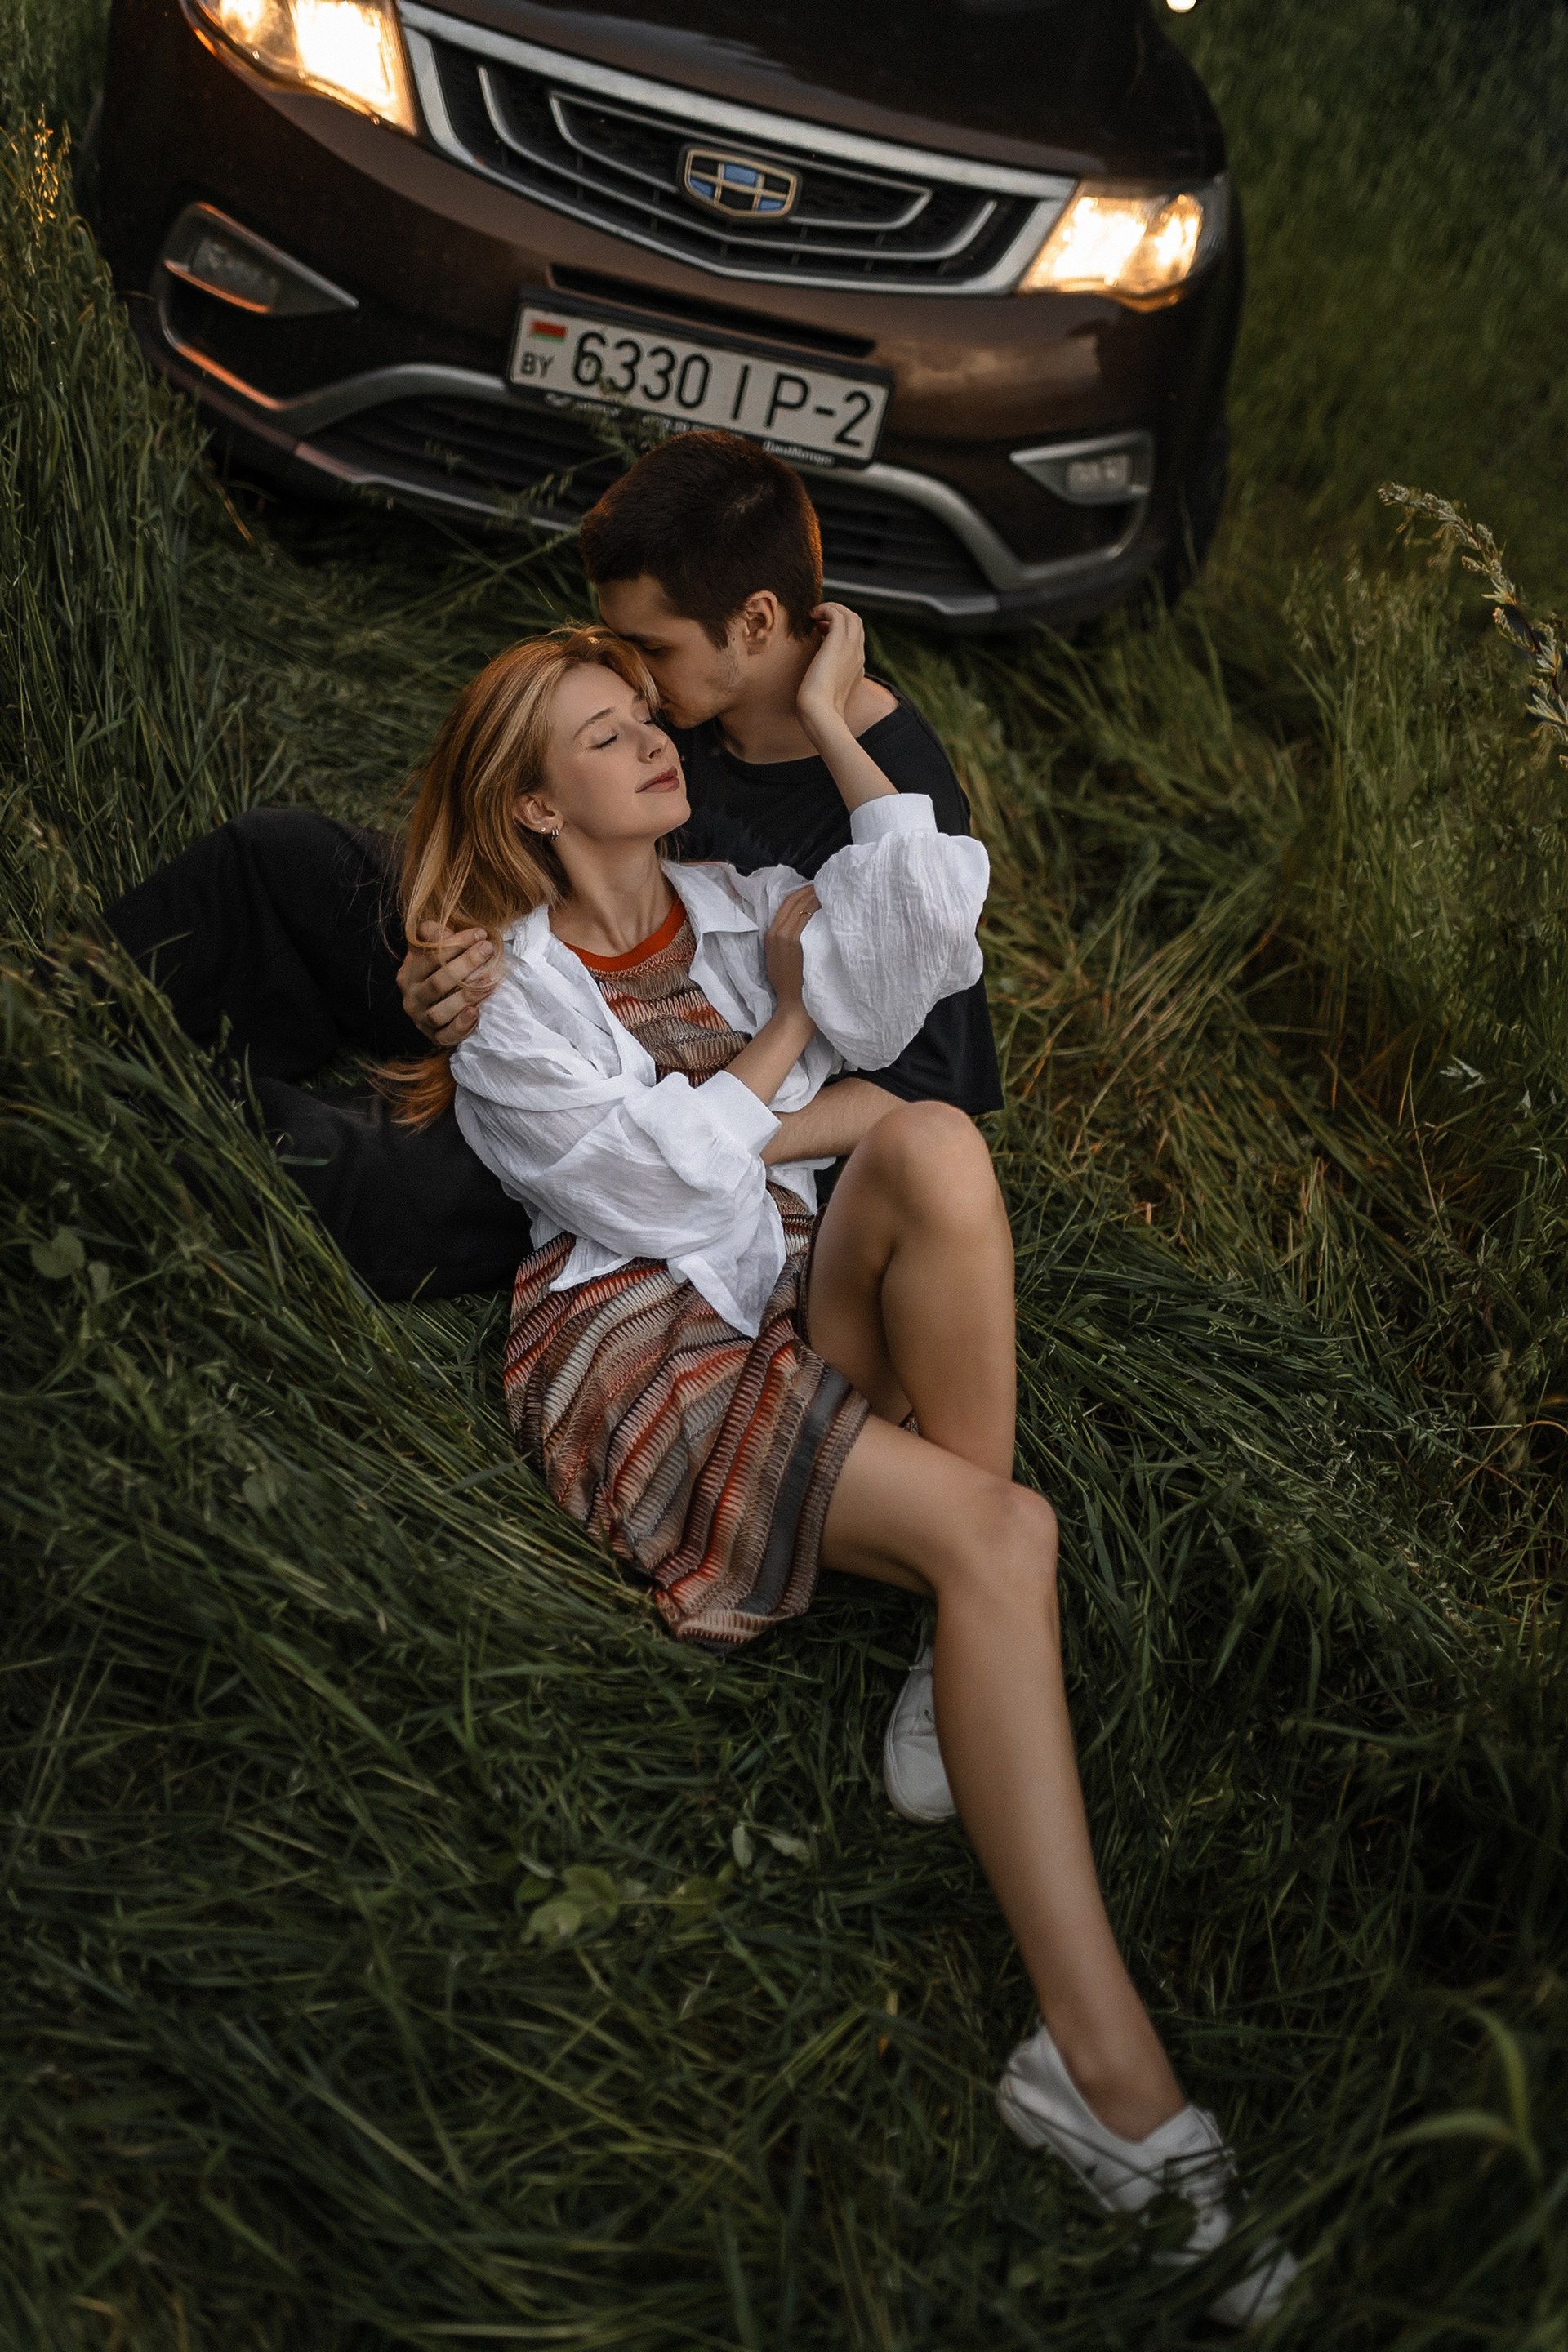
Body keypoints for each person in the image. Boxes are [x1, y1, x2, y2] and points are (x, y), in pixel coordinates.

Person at [384, 614, 1296, 2331]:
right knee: (1006, 1526)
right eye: (605, 735)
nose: (654, 743)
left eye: (646, 714)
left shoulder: (742, 901)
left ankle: (962, 1635)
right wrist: (803, 1056)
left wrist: (835, 724)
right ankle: (1106, 2077)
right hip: (640, 1344)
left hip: (789, 1283)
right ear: (530, 808)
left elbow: (923, 953)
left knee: (936, 1136)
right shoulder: (505, 991)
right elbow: (656, 1194)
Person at [103, 431, 998, 1302]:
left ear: (755, 622)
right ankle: (71, 1022)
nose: (640, 686)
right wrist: (441, 965)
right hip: (553, 963)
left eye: (654, 648)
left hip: (678, 1089)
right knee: (278, 860)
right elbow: (558, 833)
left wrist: (693, 1135)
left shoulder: (896, 801)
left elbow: (922, 1097)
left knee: (369, 1166)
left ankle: (118, 1143)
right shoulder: (676, 701)